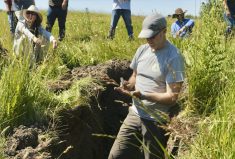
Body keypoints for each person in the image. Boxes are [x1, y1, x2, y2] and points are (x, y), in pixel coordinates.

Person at [108, 13, 185, 159]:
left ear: (164, 31)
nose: (149, 40)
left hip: (155, 120)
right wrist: (128, 85)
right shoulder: (142, 50)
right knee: (115, 155)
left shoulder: (174, 57)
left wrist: (143, 95)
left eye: (152, 36)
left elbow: (172, 97)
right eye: (146, 37)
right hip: (134, 113)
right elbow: (135, 76)